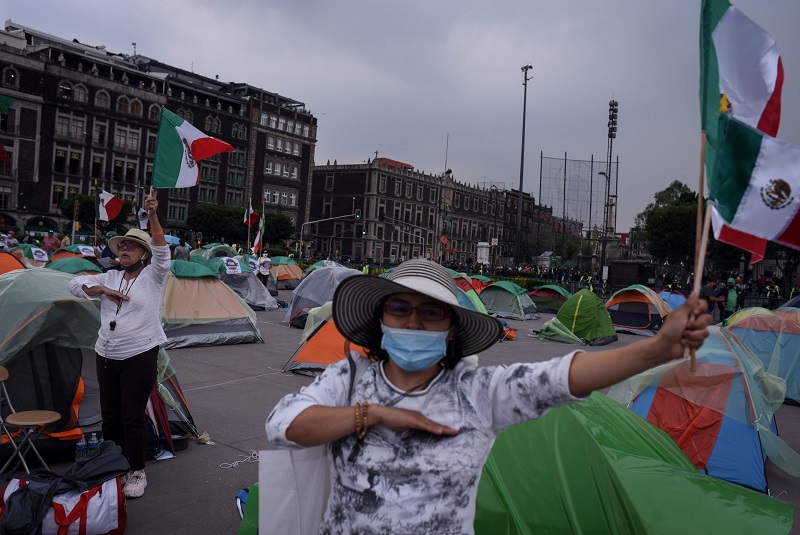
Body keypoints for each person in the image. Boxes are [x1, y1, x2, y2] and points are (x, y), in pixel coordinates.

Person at [266, 259, 712, 533]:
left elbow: (560, 378)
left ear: (450, 328)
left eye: (431, 312)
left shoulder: (477, 391)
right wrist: (375, 414)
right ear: (381, 318)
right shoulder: (349, 377)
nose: (413, 323)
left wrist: (654, 349)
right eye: (398, 309)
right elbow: (285, 424)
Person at [67, 192, 168, 499]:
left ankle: (136, 470)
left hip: (139, 354)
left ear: (143, 253)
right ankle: (113, 464)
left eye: (131, 245)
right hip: (106, 354)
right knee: (108, 415)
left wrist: (152, 217)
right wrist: (98, 289)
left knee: (131, 416)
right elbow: (72, 284)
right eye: (122, 245)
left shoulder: (154, 276)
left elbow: (163, 253)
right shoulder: (110, 275)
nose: (124, 249)